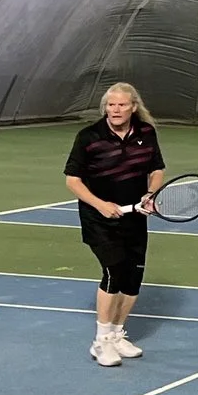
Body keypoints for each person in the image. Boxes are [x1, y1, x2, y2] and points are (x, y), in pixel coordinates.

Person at [65, 83, 167, 367]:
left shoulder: (146, 133)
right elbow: (72, 180)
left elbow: (156, 169)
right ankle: (101, 341)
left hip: (135, 217)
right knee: (113, 271)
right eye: (111, 105)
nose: (116, 110)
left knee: (132, 281)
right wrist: (100, 204)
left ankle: (117, 334)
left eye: (122, 105)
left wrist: (150, 194)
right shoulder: (89, 137)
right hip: (99, 218)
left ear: (133, 106)